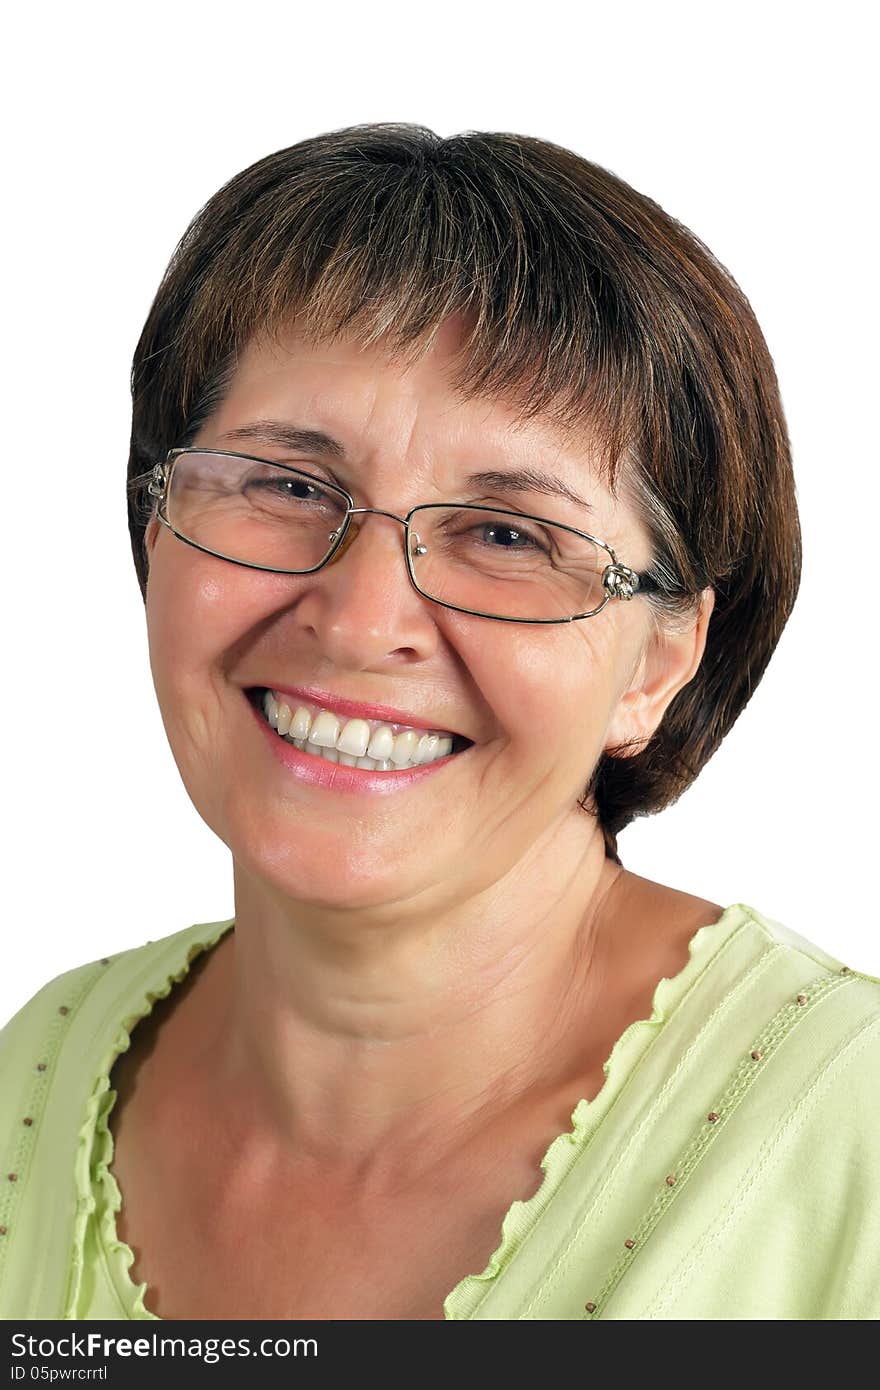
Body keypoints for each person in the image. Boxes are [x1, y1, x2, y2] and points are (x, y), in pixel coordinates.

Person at [0, 123, 877, 1323]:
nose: (362, 622)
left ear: (660, 659)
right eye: (290, 485)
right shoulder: (35, 1074)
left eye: (509, 535)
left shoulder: (852, 1136)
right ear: (156, 528)